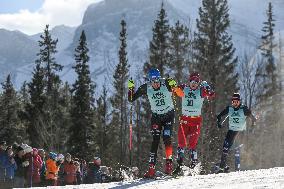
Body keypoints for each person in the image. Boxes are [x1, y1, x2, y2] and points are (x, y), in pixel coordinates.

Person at [128, 68, 184, 177]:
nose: (156, 83)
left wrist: (175, 86)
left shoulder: (166, 83)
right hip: (156, 117)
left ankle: (169, 165)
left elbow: (181, 94)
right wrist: (130, 88)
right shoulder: (146, 87)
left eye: (158, 80)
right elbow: (131, 99)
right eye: (153, 81)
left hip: (168, 115)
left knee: (166, 137)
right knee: (155, 140)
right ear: (150, 81)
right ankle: (151, 169)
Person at [173, 72, 215, 175]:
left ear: (198, 83)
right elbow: (174, 91)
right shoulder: (184, 88)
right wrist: (173, 85)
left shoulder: (201, 91)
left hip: (195, 121)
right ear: (189, 81)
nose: (194, 84)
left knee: (192, 143)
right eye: (192, 81)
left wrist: (206, 86)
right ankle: (179, 165)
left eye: (196, 82)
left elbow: (211, 94)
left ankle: (193, 162)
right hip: (184, 120)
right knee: (181, 142)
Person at [216, 93, 256, 173]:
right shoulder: (229, 108)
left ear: (239, 101)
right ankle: (222, 167)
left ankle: (238, 169)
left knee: (237, 149)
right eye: (233, 102)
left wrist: (252, 126)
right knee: (225, 148)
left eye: (236, 102)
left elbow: (253, 118)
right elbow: (219, 116)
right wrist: (219, 123)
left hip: (240, 133)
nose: (235, 103)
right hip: (231, 131)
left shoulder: (243, 109)